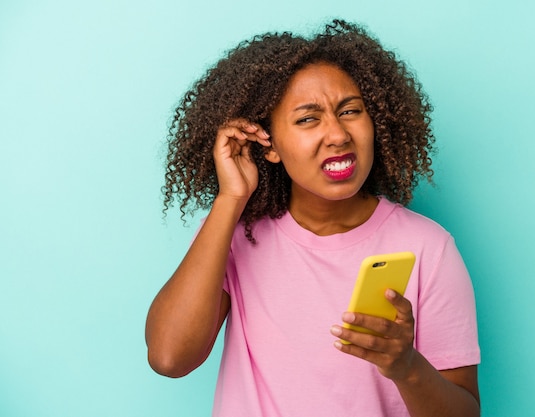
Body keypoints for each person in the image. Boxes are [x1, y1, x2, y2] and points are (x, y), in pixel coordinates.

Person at [145, 19, 481, 417]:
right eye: (308, 118)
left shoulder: (430, 248)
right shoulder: (234, 234)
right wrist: (231, 198)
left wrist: (406, 367)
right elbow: (168, 357)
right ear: (267, 143)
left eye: (350, 111)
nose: (337, 134)